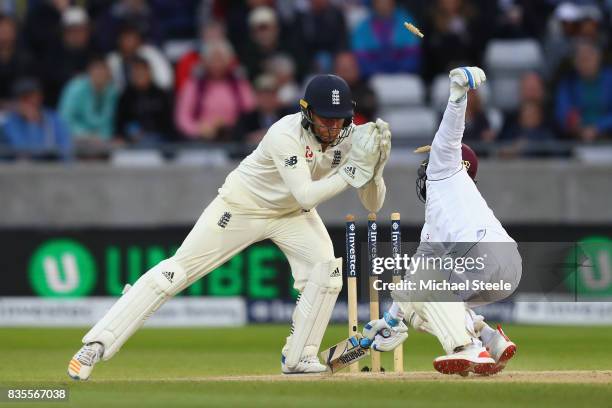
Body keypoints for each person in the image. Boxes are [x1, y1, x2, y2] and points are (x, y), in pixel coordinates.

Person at [67, 74, 391, 379]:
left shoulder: (351, 138)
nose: (333, 127)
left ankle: (299, 357)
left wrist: (375, 169)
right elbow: (306, 194)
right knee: (175, 274)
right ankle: (95, 345)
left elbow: (373, 205)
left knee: (326, 273)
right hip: (242, 207)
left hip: (291, 214)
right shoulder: (284, 134)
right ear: (306, 113)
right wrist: (351, 173)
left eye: (340, 119)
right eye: (326, 119)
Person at [359, 67, 522, 376]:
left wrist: (458, 93)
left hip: (480, 254)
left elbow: (449, 137)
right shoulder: (447, 212)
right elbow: (418, 275)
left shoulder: (444, 168)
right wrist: (391, 321)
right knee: (423, 307)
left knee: (426, 294)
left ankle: (468, 348)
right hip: (510, 267)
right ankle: (491, 339)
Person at [175, 40, 255, 141]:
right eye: (213, 59)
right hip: (200, 140)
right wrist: (198, 129)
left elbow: (250, 110)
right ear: (205, 61)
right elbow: (182, 117)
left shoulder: (240, 84)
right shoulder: (193, 85)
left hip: (234, 138)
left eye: (220, 59)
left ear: (229, 61)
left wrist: (228, 125)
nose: (217, 64)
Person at [555, 41, 612, 142]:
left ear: (598, 58)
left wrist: (598, 127)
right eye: (581, 59)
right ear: (575, 62)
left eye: (588, 59)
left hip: (607, 135)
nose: (585, 63)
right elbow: (562, 110)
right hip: (577, 137)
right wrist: (574, 124)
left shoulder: (609, 78)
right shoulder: (568, 82)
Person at [3, 78, 71, 160]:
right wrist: (32, 123)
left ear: (40, 97)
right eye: (25, 98)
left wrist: (39, 121)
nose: (30, 101)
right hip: (18, 170)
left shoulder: (54, 119)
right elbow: (21, 149)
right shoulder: (9, 122)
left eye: (33, 96)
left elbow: (65, 150)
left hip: (52, 168)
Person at [58, 56, 119, 148]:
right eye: (96, 69)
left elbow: (109, 123)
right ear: (89, 72)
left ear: (109, 73)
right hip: (76, 138)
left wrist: (102, 138)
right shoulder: (75, 89)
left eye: (103, 70)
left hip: (103, 142)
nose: (100, 73)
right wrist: (87, 135)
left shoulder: (113, 92)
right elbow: (65, 119)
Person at [350, 0, 421, 77]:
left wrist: (400, 70)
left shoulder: (409, 23)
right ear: (374, 4)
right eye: (380, 2)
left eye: (387, 2)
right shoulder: (362, 26)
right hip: (375, 76)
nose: (383, 5)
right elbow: (361, 58)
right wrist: (377, 71)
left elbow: (414, 53)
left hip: (404, 75)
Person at [116, 56, 174, 145]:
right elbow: (120, 124)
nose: (140, 75)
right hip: (132, 143)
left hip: (159, 142)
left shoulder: (161, 95)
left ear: (149, 72)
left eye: (142, 71)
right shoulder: (125, 97)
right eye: (136, 72)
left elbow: (169, 126)